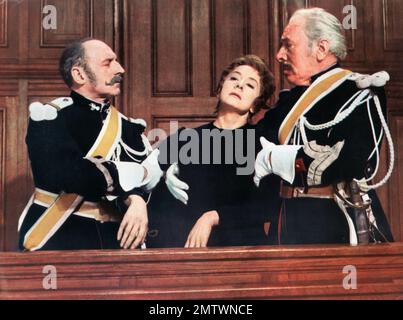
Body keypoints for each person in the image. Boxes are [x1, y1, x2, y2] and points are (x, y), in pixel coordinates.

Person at [254, 8, 394, 245]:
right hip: (285, 223)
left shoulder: (360, 92)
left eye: (288, 45)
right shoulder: (289, 101)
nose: (279, 55)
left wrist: (282, 160)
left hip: (336, 223)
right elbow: (246, 144)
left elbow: (351, 161)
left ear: (321, 49)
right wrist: (174, 156)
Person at [18, 38, 164, 251]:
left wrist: (137, 200)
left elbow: (153, 185)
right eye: (108, 63)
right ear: (80, 74)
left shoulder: (130, 128)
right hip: (60, 239)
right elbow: (71, 175)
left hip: (118, 242)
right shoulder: (51, 117)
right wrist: (137, 173)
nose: (120, 69)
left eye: (117, 62)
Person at [147, 55, 278, 248]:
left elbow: (268, 205)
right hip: (187, 251)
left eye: (250, 85)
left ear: (254, 105)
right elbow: (146, 177)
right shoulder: (185, 138)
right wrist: (164, 177)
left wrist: (214, 217)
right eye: (234, 78)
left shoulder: (262, 143)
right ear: (219, 89)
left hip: (244, 252)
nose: (239, 85)